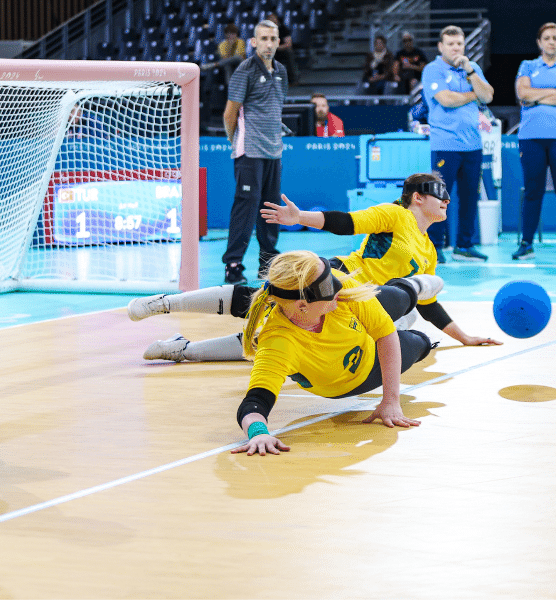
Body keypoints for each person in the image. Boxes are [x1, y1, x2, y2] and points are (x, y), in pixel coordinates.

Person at [128, 173, 502, 361]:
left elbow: (424, 302)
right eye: (442, 196)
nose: (448, 201)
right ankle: (165, 303)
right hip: (338, 278)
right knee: (260, 298)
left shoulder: (429, 251)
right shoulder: (396, 215)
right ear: (418, 198)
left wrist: (464, 337)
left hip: (358, 305)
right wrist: (299, 217)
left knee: (278, 339)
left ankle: (182, 350)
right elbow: (345, 222)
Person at [232, 250, 435, 456]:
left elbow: (386, 334)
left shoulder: (334, 288)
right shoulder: (279, 343)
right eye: (328, 285)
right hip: (357, 376)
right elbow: (255, 402)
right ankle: (403, 322)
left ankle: (416, 286)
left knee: (399, 298)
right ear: (302, 305)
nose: (337, 284)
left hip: (354, 326)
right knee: (421, 343)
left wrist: (391, 401)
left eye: (331, 274)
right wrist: (258, 433)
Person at [222, 19, 288, 285]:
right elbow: (230, 113)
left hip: (274, 151)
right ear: (253, 42)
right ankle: (233, 264)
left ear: (278, 41)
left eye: (273, 39)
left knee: (271, 208)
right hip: (249, 151)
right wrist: (234, 142)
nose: (269, 44)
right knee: (245, 208)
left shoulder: (281, 71)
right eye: (263, 39)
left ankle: (268, 261)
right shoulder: (245, 70)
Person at [421, 25, 494, 263]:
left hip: (472, 144)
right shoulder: (433, 70)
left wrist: (471, 72)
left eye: (459, 44)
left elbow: (489, 95)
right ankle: (434, 247)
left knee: (469, 197)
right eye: (451, 44)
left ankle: (464, 245)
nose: (456, 48)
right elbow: (446, 99)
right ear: (441, 47)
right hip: (445, 145)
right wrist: (474, 95)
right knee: (438, 199)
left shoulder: (472, 69)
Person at [512, 22, 556, 261]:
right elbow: (523, 94)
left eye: (555, 38)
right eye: (547, 38)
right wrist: (550, 95)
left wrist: (536, 98)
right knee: (533, 191)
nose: (552, 41)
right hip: (530, 138)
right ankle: (526, 243)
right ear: (540, 43)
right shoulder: (527, 65)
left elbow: (531, 95)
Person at [267, 13, 298, 85]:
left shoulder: (283, 29)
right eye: (270, 19)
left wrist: (277, 47)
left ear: (277, 20)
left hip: (281, 50)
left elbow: (288, 44)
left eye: (273, 19)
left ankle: (293, 79)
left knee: (289, 53)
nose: (272, 21)